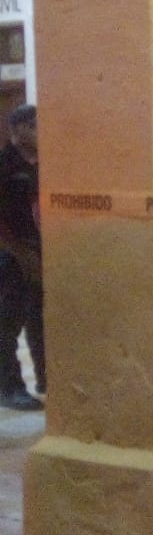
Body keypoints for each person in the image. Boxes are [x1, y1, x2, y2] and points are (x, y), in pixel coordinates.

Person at [0, 104, 44, 410]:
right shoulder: (4, 166)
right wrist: (17, 252)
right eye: (36, 126)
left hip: (42, 251)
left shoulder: (45, 164)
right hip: (10, 253)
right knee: (6, 323)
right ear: (18, 130)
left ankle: (47, 378)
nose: (43, 132)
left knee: (42, 320)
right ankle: (10, 388)